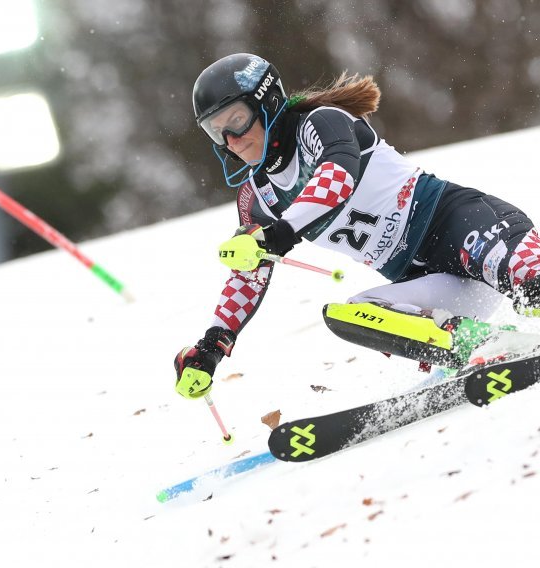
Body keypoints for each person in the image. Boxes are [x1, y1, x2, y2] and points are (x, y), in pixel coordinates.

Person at [174, 52, 540, 400]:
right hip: (430, 281)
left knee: (531, 282)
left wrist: (282, 232)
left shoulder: (321, 122)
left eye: (236, 120)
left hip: (462, 228)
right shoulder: (256, 197)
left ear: (266, 102)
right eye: (216, 131)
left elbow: (336, 176)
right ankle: (484, 345)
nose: (231, 141)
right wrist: (211, 346)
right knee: (355, 314)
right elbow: (248, 276)